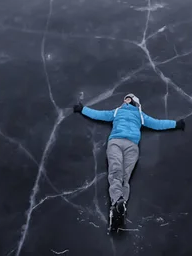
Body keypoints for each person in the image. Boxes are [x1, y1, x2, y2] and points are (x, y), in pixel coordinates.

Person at [73, 93, 185, 229]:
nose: (126, 99)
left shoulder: (140, 115)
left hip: (132, 146)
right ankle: (117, 202)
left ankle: (120, 207)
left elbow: (157, 123)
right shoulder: (116, 111)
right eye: (126, 98)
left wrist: (176, 124)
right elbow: (99, 114)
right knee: (116, 171)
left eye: (130, 98)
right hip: (116, 142)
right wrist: (82, 109)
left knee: (125, 177)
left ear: (135, 102)